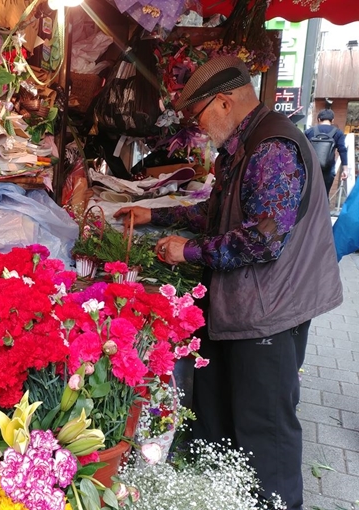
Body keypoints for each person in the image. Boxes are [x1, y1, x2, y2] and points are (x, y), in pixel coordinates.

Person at [114, 56, 343, 510]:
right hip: (245, 307)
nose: (197, 130)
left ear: (223, 102)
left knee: (265, 431)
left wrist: (189, 251)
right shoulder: (244, 146)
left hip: (270, 313)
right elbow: (219, 213)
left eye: (197, 117)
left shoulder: (271, 148)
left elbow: (263, 241)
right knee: (218, 414)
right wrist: (154, 215)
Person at [304, 109, 349, 196]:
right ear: (332, 120)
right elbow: (342, 150)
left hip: (311, 169)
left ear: (318, 119)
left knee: (309, 196)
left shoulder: (309, 132)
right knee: (324, 196)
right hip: (328, 170)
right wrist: (345, 169)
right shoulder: (338, 133)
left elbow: (302, 149)